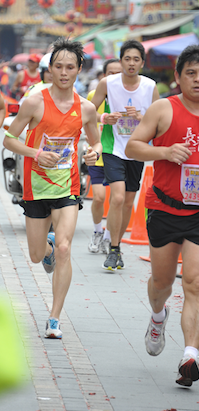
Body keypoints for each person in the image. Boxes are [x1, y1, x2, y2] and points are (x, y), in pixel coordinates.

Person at [125, 43, 199, 386]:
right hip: (165, 208)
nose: (198, 79)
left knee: (196, 283)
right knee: (161, 283)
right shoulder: (163, 109)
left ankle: (190, 356)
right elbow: (132, 147)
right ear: (178, 77)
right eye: (191, 73)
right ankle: (158, 317)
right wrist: (164, 150)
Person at [3, 38, 102, 339]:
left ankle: (55, 317)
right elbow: (9, 139)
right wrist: (35, 154)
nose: (63, 72)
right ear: (49, 69)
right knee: (37, 255)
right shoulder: (34, 102)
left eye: (70, 67)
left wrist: (93, 153)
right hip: (35, 186)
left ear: (78, 69)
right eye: (58, 66)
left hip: (67, 186)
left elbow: (96, 141)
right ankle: (44, 250)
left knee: (64, 248)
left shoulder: (85, 108)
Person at [91, 40, 159, 271]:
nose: (131, 63)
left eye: (136, 59)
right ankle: (114, 248)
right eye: (127, 59)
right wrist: (103, 118)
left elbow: (162, 120)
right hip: (113, 147)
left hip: (137, 148)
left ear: (142, 62)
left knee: (128, 201)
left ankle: (116, 246)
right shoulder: (107, 83)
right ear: (120, 61)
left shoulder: (150, 86)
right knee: (117, 198)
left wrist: (142, 118)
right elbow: (88, 112)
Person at [87, 58, 122, 254]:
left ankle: (110, 239)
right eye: (111, 73)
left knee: (117, 200)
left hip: (120, 155)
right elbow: (86, 117)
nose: (115, 77)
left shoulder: (129, 97)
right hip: (99, 153)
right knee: (99, 198)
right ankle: (97, 231)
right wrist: (102, 119)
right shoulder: (95, 95)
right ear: (104, 76)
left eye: (119, 73)